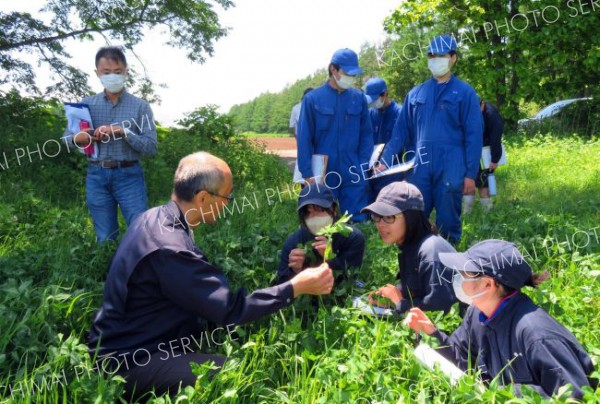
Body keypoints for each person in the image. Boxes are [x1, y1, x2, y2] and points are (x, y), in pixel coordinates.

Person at [88, 152, 334, 400]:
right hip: (129, 362)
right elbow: (231, 311)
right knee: (237, 373)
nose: (228, 203)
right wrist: (295, 287)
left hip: (141, 339)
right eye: (227, 196)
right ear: (203, 197)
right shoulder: (170, 249)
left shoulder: (154, 217)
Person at [404, 240, 596, 399]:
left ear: (488, 283)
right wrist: (433, 333)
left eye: (465, 273)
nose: (459, 278)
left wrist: (511, 394)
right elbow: (462, 359)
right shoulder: (476, 313)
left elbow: (575, 396)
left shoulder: (536, 335)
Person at [378, 35, 483, 245]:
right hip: (420, 167)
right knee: (414, 217)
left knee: (448, 222)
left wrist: (470, 174)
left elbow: (474, 136)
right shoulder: (416, 93)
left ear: (453, 58)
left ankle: (447, 264)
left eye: (441, 56)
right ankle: (414, 261)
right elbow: (400, 131)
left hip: (451, 166)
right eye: (431, 55)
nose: (435, 60)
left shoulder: (465, 93)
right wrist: (385, 160)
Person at [62, 46, 157, 242]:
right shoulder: (86, 105)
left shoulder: (141, 107)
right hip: (97, 175)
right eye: (106, 72)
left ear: (126, 72)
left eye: (117, 72)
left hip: (129, 176)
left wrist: (123, 132)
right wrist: (79, 138)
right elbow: (66, 140)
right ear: (97, 73)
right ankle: (108, 270)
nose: (112, 76)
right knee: (105, 236)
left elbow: (150, 147)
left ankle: (139, 270)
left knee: (140, 232)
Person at [297, 48, 374, 222]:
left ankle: (355, 247)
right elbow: (304, 139)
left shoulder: (358, 98)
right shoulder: (313, 100)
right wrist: (308, 174)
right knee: (322, 222)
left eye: (353, 74)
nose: (351, 78)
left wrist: (361, 165)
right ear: (333, 69)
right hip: (323, 172)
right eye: (347, 73)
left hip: (352, 168)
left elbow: (366, 136)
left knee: (356, 220)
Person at [361, 181, 458, 314]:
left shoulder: (431, 251)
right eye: (377, 217)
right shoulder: (410, 244)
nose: (380, 224)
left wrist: (400, 302)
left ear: (410, 217)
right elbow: (418, 288)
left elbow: (440, 312)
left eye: (389, 217)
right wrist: (392, 295)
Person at [276, 184, 365, 286]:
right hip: (308, 294)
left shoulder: (352, 237)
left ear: (334, 210)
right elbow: (281, 286)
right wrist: (295, 271)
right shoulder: (294, 241)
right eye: (308, 212)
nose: (314, 217)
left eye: (320, 210)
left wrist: (330, 259)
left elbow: (350, 280)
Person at [363, 77, 403, 201]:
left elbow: (398, 141)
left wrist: (385, 162)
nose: (374, 103)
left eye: (375, 99)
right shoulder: (370, 114)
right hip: (371, 170)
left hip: (392, 171)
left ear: (385, 94)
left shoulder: (400, 113)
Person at [463, 99, 505, 213]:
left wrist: (494, 159)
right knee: (468, 181)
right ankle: (467, 213)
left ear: (483, 103)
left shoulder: (492, 115)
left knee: (483, 183)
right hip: (470, 152)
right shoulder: (468, 112)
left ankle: (487, 214)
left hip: (485, 155)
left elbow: (496, 138)